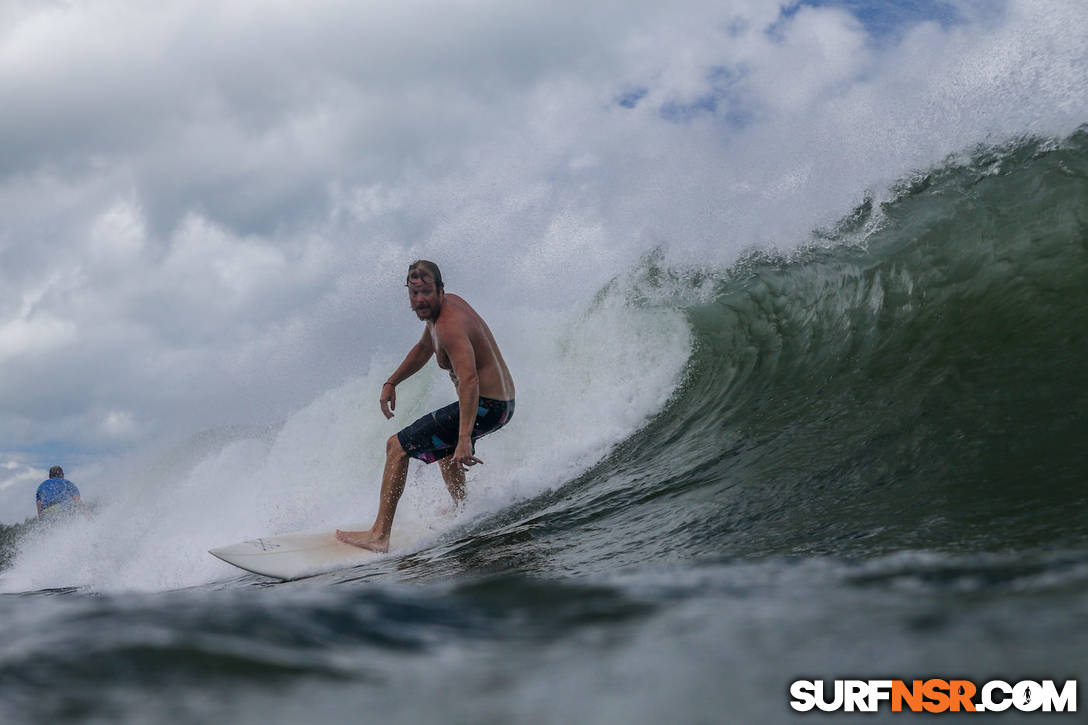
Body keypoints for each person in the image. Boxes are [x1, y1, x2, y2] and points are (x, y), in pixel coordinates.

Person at [337, 260, 516, 552]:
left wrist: (464, 439)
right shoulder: (441, 315)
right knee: (443, 450)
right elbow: (423, 349)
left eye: (426, 292)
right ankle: (464, 510)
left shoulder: (448, 325)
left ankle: (379, 535)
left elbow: (469, 381)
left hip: (488, 405)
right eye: (414, 293)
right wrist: (392, 381)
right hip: (502, 404)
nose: (419, 300)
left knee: (397, 446)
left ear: (441, 290)